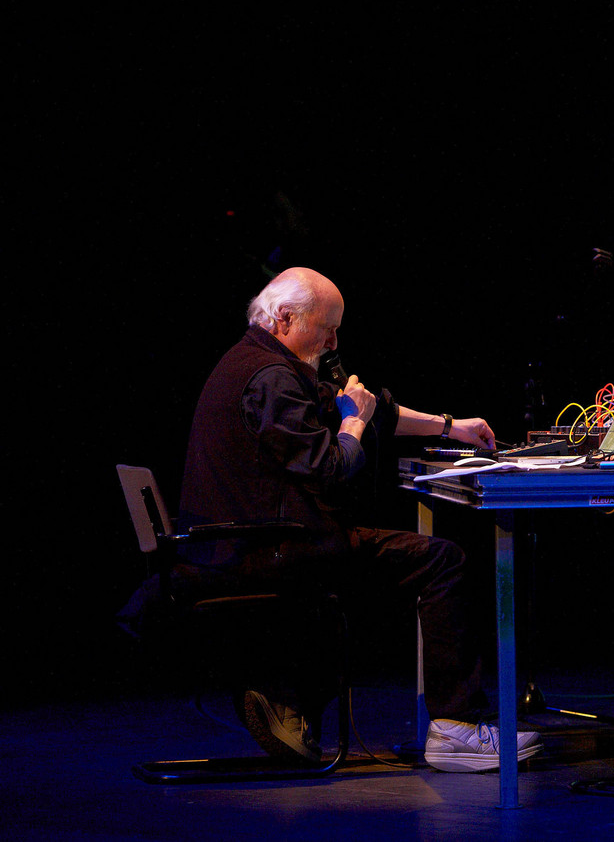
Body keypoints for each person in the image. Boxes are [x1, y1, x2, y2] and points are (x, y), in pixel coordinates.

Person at [153, 266, 539, 771]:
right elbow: (332, 470)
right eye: (327, 326)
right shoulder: (271, 378)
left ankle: (290, 703)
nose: (334, 339)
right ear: (285, 318)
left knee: (379, 564)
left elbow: (372, 411)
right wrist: (353, 420)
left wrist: (452, 427)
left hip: (245, 545)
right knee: (438, 561)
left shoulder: (261, 360)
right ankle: (455, 727)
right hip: (262, 552)